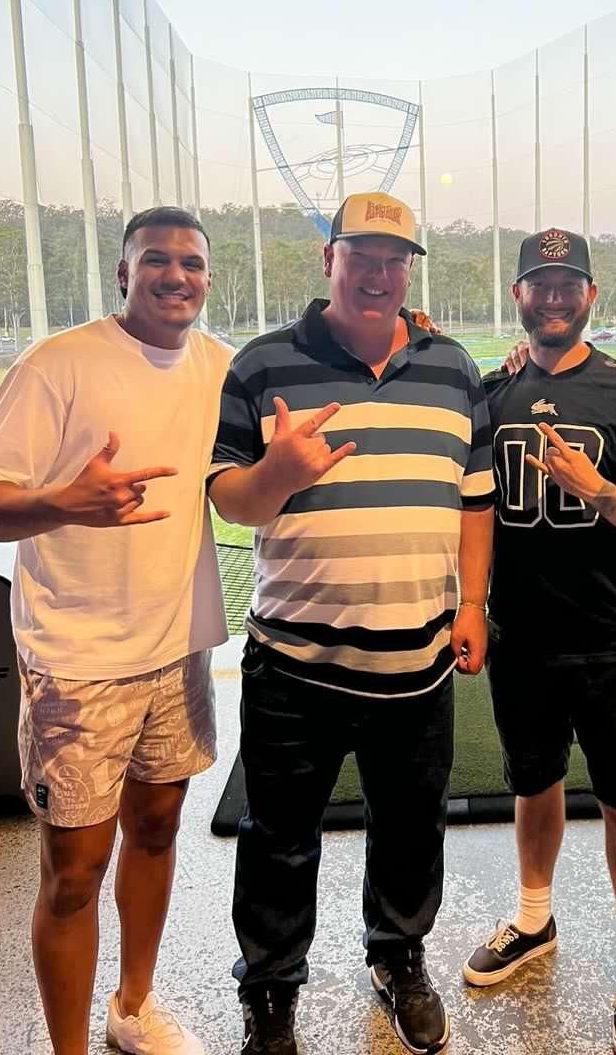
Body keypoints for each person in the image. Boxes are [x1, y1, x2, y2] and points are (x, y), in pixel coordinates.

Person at [207, 191, 495, 1055]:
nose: (378, 275)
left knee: (412, 829)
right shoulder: (263, 365)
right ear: (327, 259)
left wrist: (473, 603)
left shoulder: (453, 367)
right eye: (361, 256)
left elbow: (474, 501)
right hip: (295, 664)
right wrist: (281, 473)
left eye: (394, 259)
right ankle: (270, 989)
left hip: (420, 662)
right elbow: (229, 502)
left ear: (409, 269)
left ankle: (399, 958)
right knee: (278, 843)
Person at [0, 206, 231, 1055]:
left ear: (208, 276)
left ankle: (133, 1008)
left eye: (192, 263)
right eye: (156, 260)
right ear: (123, 274)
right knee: (72, 875)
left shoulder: (219, 367)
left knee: (159, 831)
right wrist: (61, 503)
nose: (176, 276)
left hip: (179, 646)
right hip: (78, 662)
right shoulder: (57, 365)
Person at [463, 229, 616, 1055]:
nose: (553, 298)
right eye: (538, 284)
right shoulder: (492, 394)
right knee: (533, 782)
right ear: (519, 295)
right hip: (523, 636)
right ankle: (533, 919)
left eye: (568, 284)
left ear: (592, 294)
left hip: (612, 635)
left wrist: (600, 491)